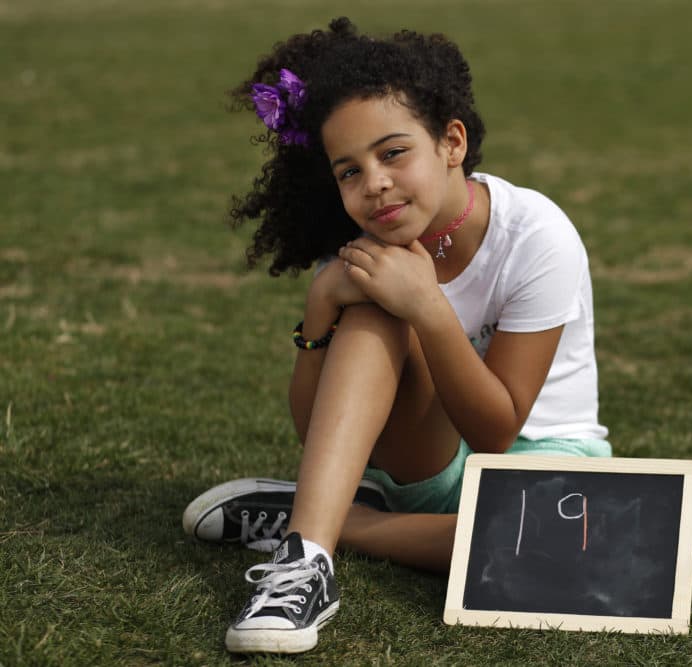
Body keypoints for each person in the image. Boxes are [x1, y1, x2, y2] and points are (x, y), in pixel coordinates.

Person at [182, 17, 610, 655]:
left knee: (535, 546)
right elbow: (315, 432)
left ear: (452, 142)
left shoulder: (537, 236)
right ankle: (304, 564)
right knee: (376, 306)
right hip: (431, 465)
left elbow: (498, 435)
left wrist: (430, 309)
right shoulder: (370, 249)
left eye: (393, 153)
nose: (374, 182)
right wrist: (322, 305)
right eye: (348, 172)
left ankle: (328, 522)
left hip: (545, 463)